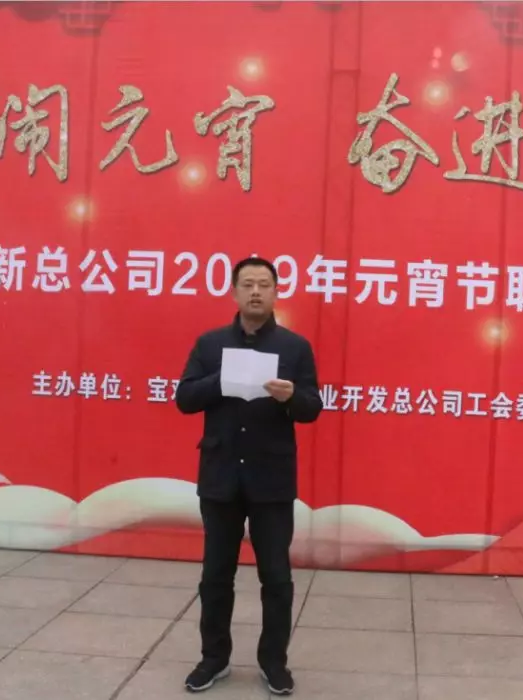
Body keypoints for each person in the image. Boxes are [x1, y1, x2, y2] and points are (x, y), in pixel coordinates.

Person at [175, 256, 322, 696]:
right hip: (220, 476)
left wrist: (291, 396)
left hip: (271, 479)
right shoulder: (210, 344)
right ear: (234, 291)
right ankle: (213, 659)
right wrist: (222, 379)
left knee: (276, 577)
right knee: (215, 576)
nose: (256, 292)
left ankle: (274, 663)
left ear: (276, 292)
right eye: (248, 284)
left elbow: (312, 408)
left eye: (264, 284)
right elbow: (184, 398)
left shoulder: (295, 348)